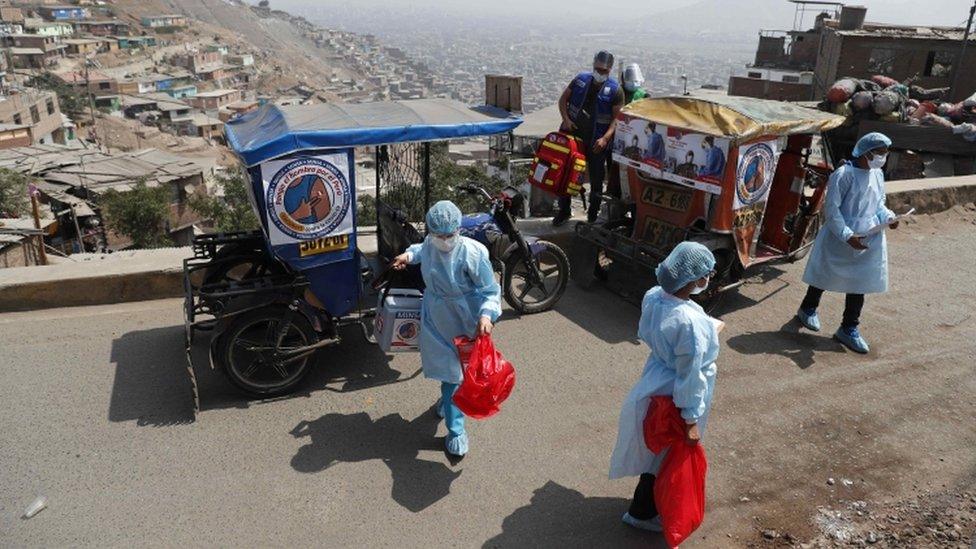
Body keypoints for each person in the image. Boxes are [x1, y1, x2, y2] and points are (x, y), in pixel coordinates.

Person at [609, 241, 720, 532]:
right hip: (675, 390)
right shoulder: (690, 323)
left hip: (657, 376)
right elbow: (690, 375)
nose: (709, 277)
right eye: (707, 273)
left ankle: (648, 506)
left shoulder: (655, 296)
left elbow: (657, 331)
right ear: (696, 280)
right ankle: (643, 512)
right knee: (667, 451)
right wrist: (691, 419)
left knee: (656, 445)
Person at [392, 201, 502, 457]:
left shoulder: (473, 253)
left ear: (458, 229)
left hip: (465, 320)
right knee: (450, 374)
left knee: (458, 373)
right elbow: (421, 249)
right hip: (435, 316)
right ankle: (454, 420)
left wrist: (487, 315)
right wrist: (407, 256)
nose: (443, 241)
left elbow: (489, 290)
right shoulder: (431, 242)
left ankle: (453, 417)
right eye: (438, 235)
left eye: (448, 235)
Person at [796, 132, 897, 354]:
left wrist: (889, 217)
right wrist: (847, 235)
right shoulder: (844, 175)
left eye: (885, 153)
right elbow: (831, 211)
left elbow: (879, 203)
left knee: (859, 283)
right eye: (879, 153)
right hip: (840, 233)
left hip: (869, 235)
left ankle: (849, 327)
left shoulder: (877, 174)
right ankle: (808, 308)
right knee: (825, 272)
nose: (883, 157)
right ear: (867, 153)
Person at [553, 50, 625, 226]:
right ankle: (564, 210)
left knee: (597, 179)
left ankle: (592, 215)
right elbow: (563, 100)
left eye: (604, 71)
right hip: (573, 137)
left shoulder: (615, 90)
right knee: (566, 173)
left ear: (610, 70)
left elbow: (617, 119)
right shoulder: (580, 80)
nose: (600, 74)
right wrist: (566, 120)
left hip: (596, 142)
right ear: (593, 66)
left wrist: (605, 139)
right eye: (597, 69)